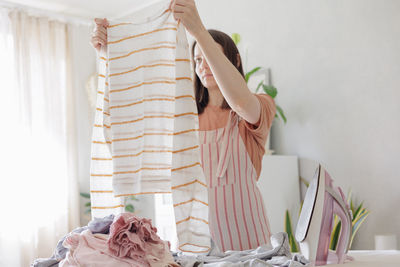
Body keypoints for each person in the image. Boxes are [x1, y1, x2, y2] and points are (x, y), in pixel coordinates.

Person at [90, 0, 276, 252]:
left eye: (211, 55)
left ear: (235, 60)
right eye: (198, 59)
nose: (203, 65)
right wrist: (109, 53)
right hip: (196, 242)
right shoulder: (184, 119)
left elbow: (242, 102)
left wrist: (199, 31)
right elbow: (127, 120)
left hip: (251, 240)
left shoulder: (257, 109)